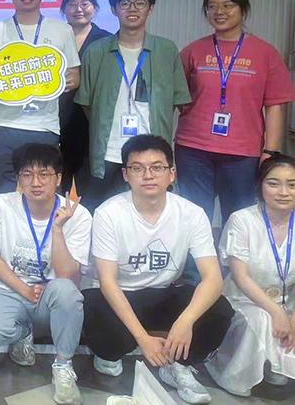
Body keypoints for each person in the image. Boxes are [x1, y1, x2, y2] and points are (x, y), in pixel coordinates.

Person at [82, 135, 234, 405]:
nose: (148, 175)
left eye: (157, 167)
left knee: (219, 309)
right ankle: (109, 354)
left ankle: (178, 365)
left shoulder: (192, 213)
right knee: (91, 306)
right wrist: (143, 339)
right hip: (120, 294)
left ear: (171, 173)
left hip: (163, 292)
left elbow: (212, 278)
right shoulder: (109, 213)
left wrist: (185, 322)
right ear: (126, 175)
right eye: (138, 168)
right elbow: (107, 281)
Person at [0, 143, 91, 405]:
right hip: (9, 287)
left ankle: (63, 366)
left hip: (52, 291)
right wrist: (23, 289)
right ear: (19, 178)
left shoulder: (79, 215)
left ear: (58, 178)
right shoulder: (3, 205)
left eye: (44, 174)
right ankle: (22, 333)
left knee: (68, 293)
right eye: (27, 174)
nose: (35, 182)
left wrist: (57, 229)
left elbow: (66, 273)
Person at [175, 0, 295, 223]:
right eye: (212, 6)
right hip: (193, 150)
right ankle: (196, 252)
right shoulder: (193, 51)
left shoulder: (265, 53)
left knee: (239, 218)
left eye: (227, 5)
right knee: (193, 217)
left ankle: (232, 252)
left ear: (243, 9)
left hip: (243, 153)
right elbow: (176, 95)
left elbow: (274, 106)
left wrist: (269, 152)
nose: (219, 12)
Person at [75, 0, 191, 210]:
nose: (133, 9)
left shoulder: (167, 50)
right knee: (101, 214)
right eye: (125, 3)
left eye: (140, 3)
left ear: (151, 8)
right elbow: (87, 103)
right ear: (113, 9)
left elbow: (176, 102)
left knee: (149, 213)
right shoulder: (96, 51)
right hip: (108, 152)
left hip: (151, 153)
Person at [0, 0, 81, 200]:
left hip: (44, 125)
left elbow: (75, 76)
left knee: (42, 192)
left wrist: (61, 82)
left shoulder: (62, 30)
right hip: (3, 123)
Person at [206, 154, 295, 396]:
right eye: (274, 183)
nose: (284, 192)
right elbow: (241, 277)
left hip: (289, 303)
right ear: (260, 185)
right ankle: (238, 374)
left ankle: (279, 363)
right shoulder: (242, 220)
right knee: (262, 317)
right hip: (243, 301)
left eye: (292, 184)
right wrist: (276, 311)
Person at [58, 0, 112, 196]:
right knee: (55, 188)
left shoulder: (107, 41)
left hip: (91, 125)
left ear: (95, 8)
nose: (78, 9)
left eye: (84, 3)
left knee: (90, 192)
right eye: (72, 4)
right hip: (56, 123)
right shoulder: (53, 38)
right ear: (64, 9)